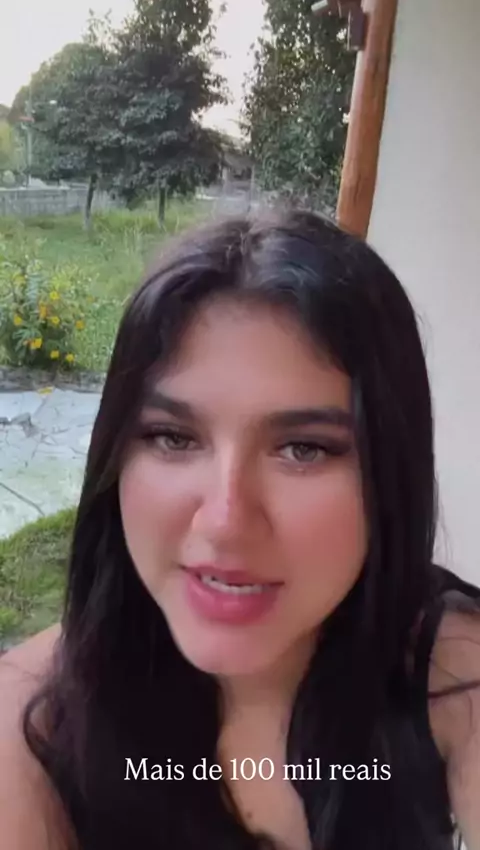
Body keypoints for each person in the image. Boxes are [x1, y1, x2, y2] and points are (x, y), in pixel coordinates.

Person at [0, 207, 479, 850]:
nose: (225, 522)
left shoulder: (452, 670)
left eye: (304, 449)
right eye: (173, 437)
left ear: (390, 474)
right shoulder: (29, 722)